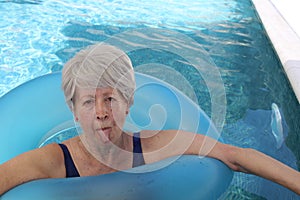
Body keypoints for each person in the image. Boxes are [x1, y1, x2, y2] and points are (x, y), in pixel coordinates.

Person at [0, 43, 300, 196]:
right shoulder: (53, 161)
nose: (102, 112)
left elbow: (236, 156)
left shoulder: (155, 146)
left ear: (128, 103)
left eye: (111, 99)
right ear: (74, 110)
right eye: (89, 101)